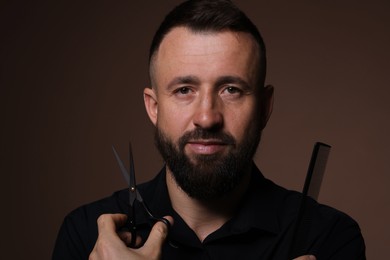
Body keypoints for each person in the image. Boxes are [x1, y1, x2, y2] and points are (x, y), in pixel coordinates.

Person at [53, 0, 366, 259]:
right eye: (184, 89)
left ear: (264, 107)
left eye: (231, 89)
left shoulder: (328, 238)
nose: (207, 117)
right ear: (153, 107)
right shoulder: (89, 238)